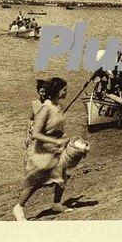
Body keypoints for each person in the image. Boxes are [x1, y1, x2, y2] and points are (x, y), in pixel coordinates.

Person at [14, 77, 73, 221]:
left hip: (57, 147)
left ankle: (56, 204)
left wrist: (65, 139)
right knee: (37, 180)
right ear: (57, 91)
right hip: (44, 149)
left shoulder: (57, 106)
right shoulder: (45, 108)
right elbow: (36, 134)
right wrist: (56, 141)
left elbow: (57, 127)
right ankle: (18, 207)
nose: (66, 92)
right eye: (64, 89)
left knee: (63, 173)